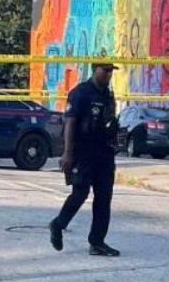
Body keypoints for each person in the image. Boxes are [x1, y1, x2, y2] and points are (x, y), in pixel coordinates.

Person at [49, 62, 120, 257]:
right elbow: (70, 123)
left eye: (110, 72)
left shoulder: (108, 94)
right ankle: (58, 224)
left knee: (104, 197)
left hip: (103, 151)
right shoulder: (80, 93)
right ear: (94, 69)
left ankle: (97, 242)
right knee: (80, 192)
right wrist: (68, 153)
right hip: (83, 150)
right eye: (105, 71)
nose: (108, 75)